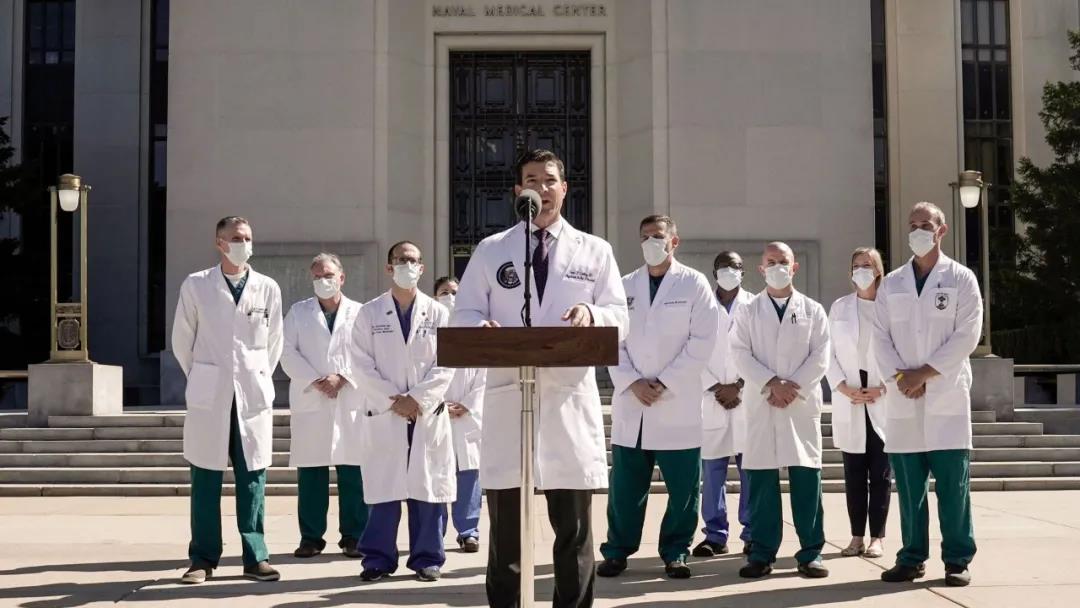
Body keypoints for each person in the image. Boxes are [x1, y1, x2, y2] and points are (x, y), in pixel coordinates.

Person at [453, 149, 628, 608]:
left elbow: (619, 315)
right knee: (506, 535)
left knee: (573, 531)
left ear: (564, 189)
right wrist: (479, 327)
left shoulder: (595, 250)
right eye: (532, 180)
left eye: (550, 180)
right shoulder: (492, 250)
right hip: (510, 400)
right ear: (518, 191)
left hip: (567, 402)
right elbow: (464, 312)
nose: (542, 188)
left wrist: (592, 313)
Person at [598, 215, 719, 580]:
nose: (651, 242)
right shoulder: (624, 285)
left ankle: (676, 551)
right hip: (632, 403)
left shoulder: (694, 284)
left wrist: (664, 382)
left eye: (658, 236)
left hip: (675, 404)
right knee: (625, 490)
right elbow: (612, 340)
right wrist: (632, 381)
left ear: (674, 242)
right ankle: (617, 550)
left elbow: (702, 342)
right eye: (645, 236)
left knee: (683, 491)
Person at [873, 202, 982, 587]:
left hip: (945, 396)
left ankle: (957, 559)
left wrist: (924, 374)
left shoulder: (961, 278)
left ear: (942, 230)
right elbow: (880, 338)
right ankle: (911, 557)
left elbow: (967, 335)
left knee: (953, 487)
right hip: (904, 396)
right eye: (913, 224)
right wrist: (903, 378)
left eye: (926, 224)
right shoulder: (892, 283)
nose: (918, 230)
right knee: (909, 488)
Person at [172, 216, 283, 584]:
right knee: (205, 477)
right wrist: (203, 376)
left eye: (247, 238)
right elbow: (182, 340)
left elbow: (274, 342)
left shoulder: (267, 288)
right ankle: (202, 559)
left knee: (253, 478)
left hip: (251, 395)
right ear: (219, 243)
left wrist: (254, 375)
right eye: (236, 238)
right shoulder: (196, 285)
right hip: (211, 392)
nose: (243, 244)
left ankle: (256, 556)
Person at [352, 241, 456, 582]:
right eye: (400, 260)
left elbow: (447, 363)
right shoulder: (369, 313)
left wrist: (417, 399)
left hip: (426, 414)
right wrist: (394, 401)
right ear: (389, 267)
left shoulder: (439, 313)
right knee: (385, 490)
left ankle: (427, 558)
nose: (407, 266)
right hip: (387, 413)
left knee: (427, 489)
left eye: (413, 260)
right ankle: (377, 560)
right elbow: (360, 364)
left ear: (422, 268)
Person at [731, 241, 830, 579]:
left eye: (783, 261)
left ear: (794, 266)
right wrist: (772, 383)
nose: (777, 267)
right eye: (770, 262)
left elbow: (821, 355)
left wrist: (791, 387)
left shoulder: (813, 310)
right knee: (761, 484)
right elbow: (739, 353)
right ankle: (761, 554)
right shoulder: (747, 310)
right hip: (763, 403)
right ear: (761, 269)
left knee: (806, 481)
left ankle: (811, 553)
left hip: (798, 405)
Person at [280, 253, 368, 559]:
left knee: (353, 472)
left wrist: (342, 377)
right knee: (311, 473)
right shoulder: (298, 312)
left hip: (350, 398)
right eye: (317, 276)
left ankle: (354, 536)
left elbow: (370, 353)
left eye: (328, 275)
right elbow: (285, 351)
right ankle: (311, 538)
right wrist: (316, 379)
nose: (323, 281)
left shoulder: (361, 313)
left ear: (342, 277)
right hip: (312, 397)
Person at [827, 247, 891, 559]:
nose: (862, 269)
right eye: (857, 265)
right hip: (850, 395)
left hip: (881, 395)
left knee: (880, 474)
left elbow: (900, 351)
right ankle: (856, 537)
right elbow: (827, 353)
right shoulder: (840, 307)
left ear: (879, 270)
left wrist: (885, 388)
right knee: (853, 475)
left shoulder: (890, 307)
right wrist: (841, 387)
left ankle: (877, 537)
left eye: (868, 264)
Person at [694, 250, 755, 558]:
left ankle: (752, 532)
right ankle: (715, 535)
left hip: (746, 398)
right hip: (712, 397)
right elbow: (692, 348)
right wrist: (717, 387)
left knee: (751, 471)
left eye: (735, 266)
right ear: (713, 272)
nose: (729, 271)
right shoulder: (701, 306)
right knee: (712, 473)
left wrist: (740, 385)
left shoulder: (755, 305)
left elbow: (761, 351)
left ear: (743, 272)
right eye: (723, 266)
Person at [434, 276, 488, 553]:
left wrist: (468, 404)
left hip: (467, 416)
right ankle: (435, 532)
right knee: (437, 475)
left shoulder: (475, 334)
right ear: (435, 298)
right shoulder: (428, 333)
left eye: (454, 292)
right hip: (436, 413)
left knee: (468, 474)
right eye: (444, 292)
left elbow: (485, 374)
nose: (450, 297)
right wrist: (438, 404)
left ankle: (468, 531)